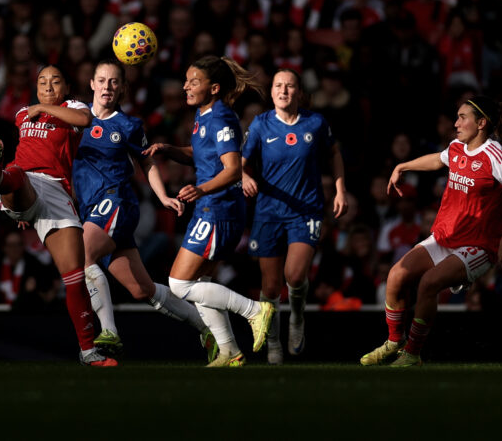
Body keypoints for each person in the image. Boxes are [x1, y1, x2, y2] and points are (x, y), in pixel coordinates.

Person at [360, 95, 502, 367]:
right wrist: (402, 166)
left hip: (477, 245)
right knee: (395, 277)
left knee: (429, 283)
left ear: (481, 123)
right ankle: (394, 341)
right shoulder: (456, 147)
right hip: (444, 236)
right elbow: (439, 160)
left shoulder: (497, 157)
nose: (456, 123)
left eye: (462, 117)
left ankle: (413, 353)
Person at [73, 60, 216, 360]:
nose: (107, 87)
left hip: (116, 202)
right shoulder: (76, 116)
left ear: (123, 88)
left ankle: (109, 332)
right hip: (92, 211)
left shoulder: (128, 125)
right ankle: (206, 328)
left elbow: (146, 161)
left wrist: (163, 195)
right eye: (102, 80)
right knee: (143, 290)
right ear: (91, 84)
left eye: (114, 82)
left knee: (81, 256)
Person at [143, 56, 276, 367]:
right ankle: (230, 351)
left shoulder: (221, 118)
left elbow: (231, 170)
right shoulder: (204, 116)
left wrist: (201, 189)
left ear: (213, 88)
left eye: (194, 82)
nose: (186, 86)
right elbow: (203, 155)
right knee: (199, 284)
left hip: (219, 210)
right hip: (210, 208)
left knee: (179, 284)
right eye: (187, 80)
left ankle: (255, 310)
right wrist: (171, 150)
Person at [0, 65, 114, 366]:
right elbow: (30, 148)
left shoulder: (74, 107)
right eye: (42, 82)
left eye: (55, 81)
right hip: (25, 178)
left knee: (75, 277)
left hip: (57, 192)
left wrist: (41, 107)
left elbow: (85, 120)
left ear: (66, 86)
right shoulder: (21, 114)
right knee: (17, 174)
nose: (48, 87)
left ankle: (89, 351)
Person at [241, 69, 350, 363]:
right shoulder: (261, 124)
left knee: (295, 274)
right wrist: (244, 176)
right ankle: (274, 341)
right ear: (271, 90)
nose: (284, 91)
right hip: (268, 212)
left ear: (300, 92)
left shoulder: (315, 123)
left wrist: (340, 191)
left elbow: (334, 154)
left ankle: (298, 316)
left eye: (290, 86)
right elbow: (240, 161)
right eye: (278, 85)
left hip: (306, 210)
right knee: (270, 286)